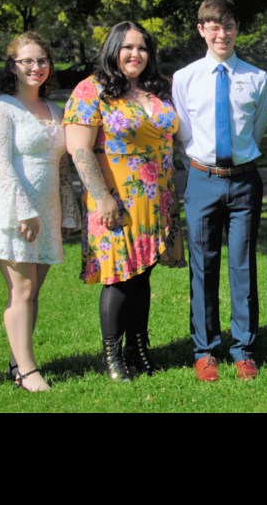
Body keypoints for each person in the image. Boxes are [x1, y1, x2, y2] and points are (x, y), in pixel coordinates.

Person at [64, 21, 181, 381]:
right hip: (115, 201)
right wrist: (102, 197)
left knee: (142, 275)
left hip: (155, 200)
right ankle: (112, 355)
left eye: (142, 48)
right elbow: (78, 149)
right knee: (118, 276)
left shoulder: (156, 89)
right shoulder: (92, 90)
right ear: (113, 49)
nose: (136, 54)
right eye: (128, 47)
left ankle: (139, 348)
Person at [171, 0, 267, 381]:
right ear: (201, 30)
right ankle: (205, 349)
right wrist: (203, 167)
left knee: (243, 264)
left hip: (245, 179)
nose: (221, 33)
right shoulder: (184, 79)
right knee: (203, 264)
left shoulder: (256, 78)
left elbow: (257, 132)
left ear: (237, 29)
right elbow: (184, 134)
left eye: (228, 25)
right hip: (201, 179)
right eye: (213, 26)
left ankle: (243, 347)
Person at [0, 32, 81, 391]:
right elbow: (1, 164)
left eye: (41, 60)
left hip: (47, 208)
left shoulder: (55, 110)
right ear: (13, 66)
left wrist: (68, 213)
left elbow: (63, 168)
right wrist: (23, 210)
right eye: (27, 61)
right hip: (13, 208)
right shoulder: (2, 108)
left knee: (33, 291)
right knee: (21, 291)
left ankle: (16, 361)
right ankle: (27, 371)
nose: (36, 67)